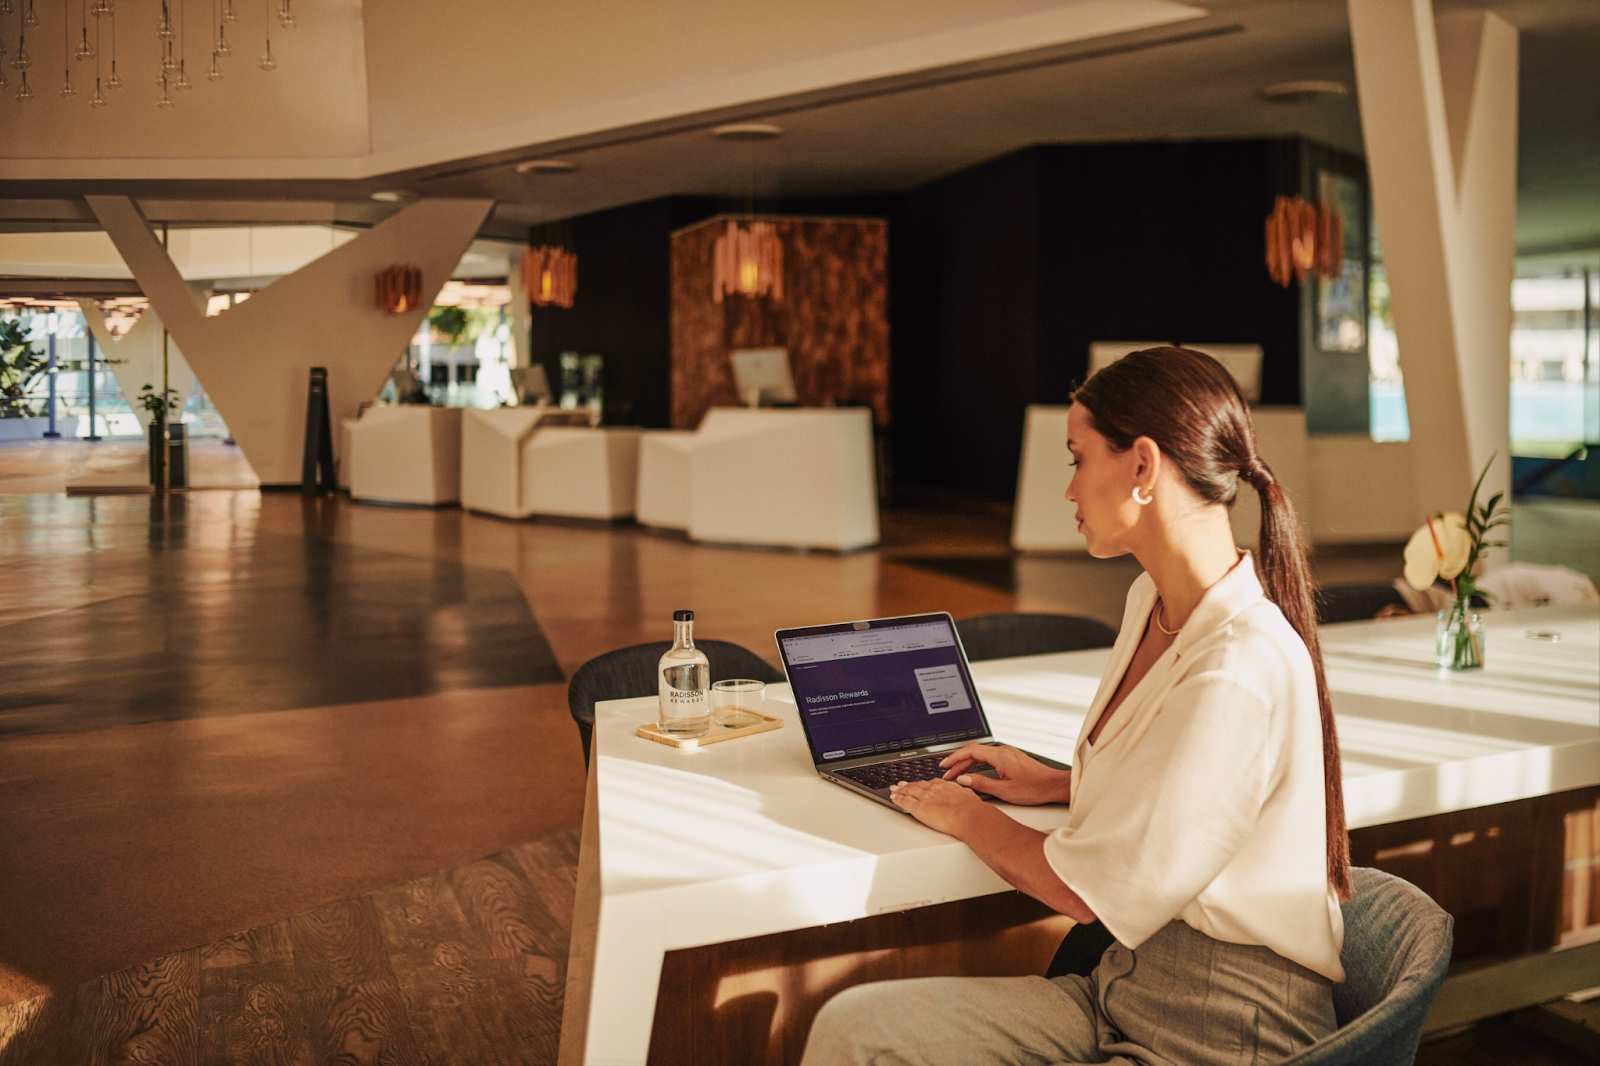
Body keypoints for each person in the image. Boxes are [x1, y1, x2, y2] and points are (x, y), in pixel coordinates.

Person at [801, 347, 1349, 1066]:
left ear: (1143, 466)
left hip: (1223, 1034)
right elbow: (1194, 801)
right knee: (855, 1029)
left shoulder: (1236, 666)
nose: (1068, 489)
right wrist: (1060, 782)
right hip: (1126, 989)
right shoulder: (1152, 603)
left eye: (1077, 459)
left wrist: (965, 814)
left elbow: (1087, 891)